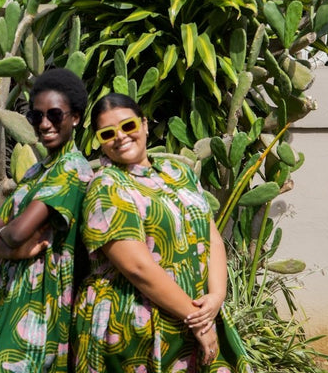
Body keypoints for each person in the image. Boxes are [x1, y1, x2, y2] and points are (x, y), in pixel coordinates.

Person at [72, 93, 252, 372]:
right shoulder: (106, 186)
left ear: (144, 124)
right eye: (108, 133)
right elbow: (137, 268)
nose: (120, 137)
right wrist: (198, 322)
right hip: (134, 325)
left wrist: (216, 297)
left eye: (128, 126)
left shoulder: (178, 172)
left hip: (195, 313)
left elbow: (211, 236)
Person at [0, 68, 94, 373]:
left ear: (75, 117)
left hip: (39, 302)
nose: (44, 124)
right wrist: (14, 251)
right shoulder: (36, 171)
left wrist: (6, 238)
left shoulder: (72, 169)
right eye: (36, 116)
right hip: (10, 294)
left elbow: (14, 233)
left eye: (54, 115)